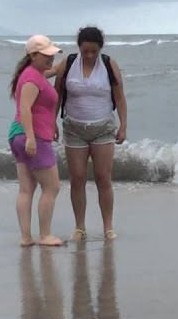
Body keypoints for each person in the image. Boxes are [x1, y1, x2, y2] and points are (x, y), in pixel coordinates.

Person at [49, 26, 129, 241]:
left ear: (100, 48)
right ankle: (80, 227)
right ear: (79, 48)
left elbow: (120, 97)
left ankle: (108, 227)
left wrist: (123, 125)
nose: (90, 55)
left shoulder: (109, 64)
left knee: (104, 178)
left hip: (103, 128)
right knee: (77, 178)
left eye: (94, 51)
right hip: (74, 128)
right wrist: (51, 122)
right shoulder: (69, 62)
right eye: (86, 51)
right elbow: (56, 93)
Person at [9, 35, 65, 247]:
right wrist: (32, 138)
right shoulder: (32, 78)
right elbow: (25, 108)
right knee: (52, 187)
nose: (50, 59)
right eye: (46, 55)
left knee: (26, 188)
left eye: (52, 54)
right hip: (31, 136)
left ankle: (25, 237)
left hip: (17, 135)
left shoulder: (32, 74)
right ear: (32, 55)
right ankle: (45, 235)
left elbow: (48, 73)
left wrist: (60, 67)